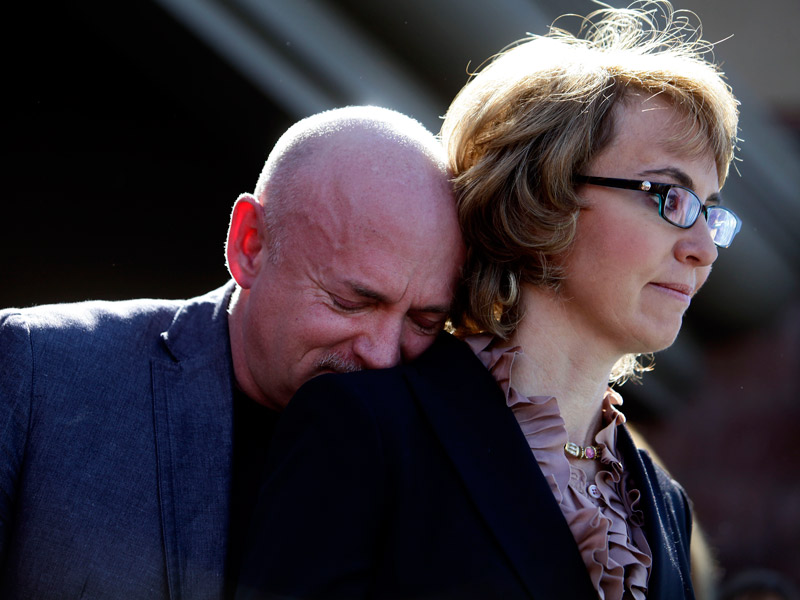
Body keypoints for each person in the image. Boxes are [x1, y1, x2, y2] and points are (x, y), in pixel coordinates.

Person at [236, 3, 741, 599]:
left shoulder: (664, 505)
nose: (704, 248)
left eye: (711, 212)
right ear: (541, 194)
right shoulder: (368, 428)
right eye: (671, 197)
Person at [0, 106, 464, 599]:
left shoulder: (443, 475)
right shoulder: (39, 370)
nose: (384, 355)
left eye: (424, 322)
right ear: (250, 244)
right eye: (352, 302)